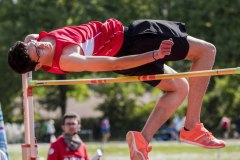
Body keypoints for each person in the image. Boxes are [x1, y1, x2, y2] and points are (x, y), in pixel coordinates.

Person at [8, 18, 225, 160]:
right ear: (38, 66)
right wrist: (154, 55)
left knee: (179, 87)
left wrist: (29, 47)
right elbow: (114, 64)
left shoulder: (32, 43)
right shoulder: (68, 59)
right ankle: (192, 127)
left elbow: (28, 41)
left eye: (33, 44)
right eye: (36, 51)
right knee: (206, 52)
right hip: (133, 41)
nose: (39, 44)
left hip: (126, 52)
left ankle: (142, 140)